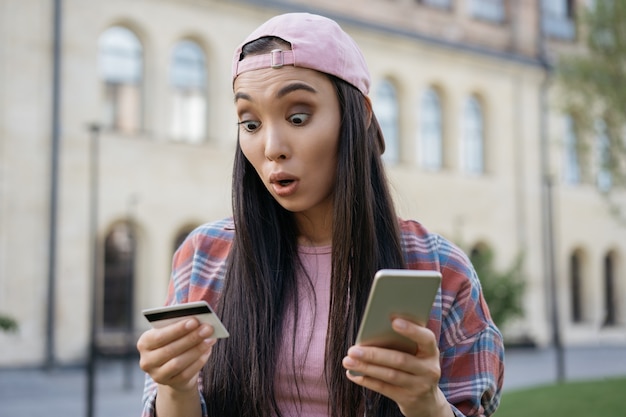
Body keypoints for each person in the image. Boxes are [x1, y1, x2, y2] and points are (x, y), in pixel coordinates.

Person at [137, 12, 504, 417]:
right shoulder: (205, 256)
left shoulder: (440, 270)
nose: (272, 147)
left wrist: (425, 404)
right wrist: (176, 386)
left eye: (298, 117)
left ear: (360, 115)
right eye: (250, 123)